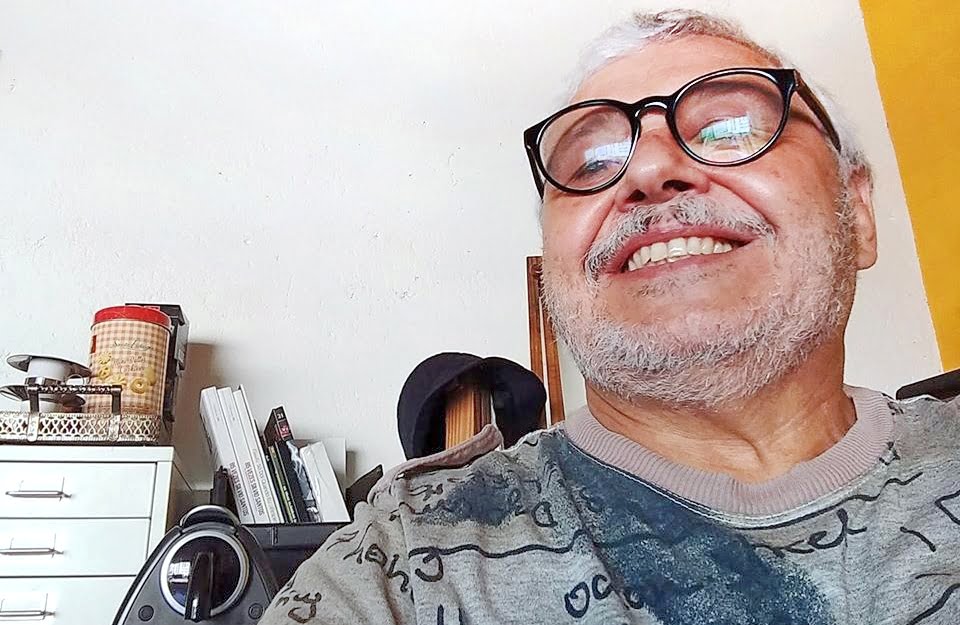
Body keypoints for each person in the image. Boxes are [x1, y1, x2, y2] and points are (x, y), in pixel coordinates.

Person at [259, 9, 960, 625]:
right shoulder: (407, 558)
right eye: (592, 161)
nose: (648, 170)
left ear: (858, 212)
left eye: (727, 128)